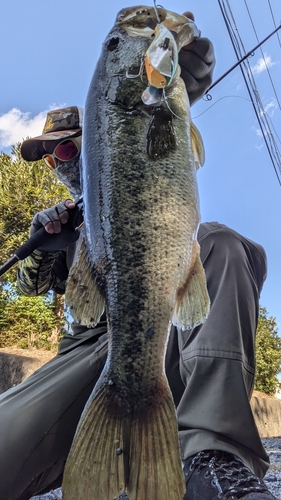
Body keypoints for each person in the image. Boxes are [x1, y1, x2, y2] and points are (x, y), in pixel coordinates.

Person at [0, 12, 276, 500]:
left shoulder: (134, 130)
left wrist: (171, 91)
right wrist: (45, 245)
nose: (61, 163)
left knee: (219, 242)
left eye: (70, 151)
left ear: (96, 141)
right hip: (90, 365)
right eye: (53, 157)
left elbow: (154, 137)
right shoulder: (55, 226)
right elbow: (26, 287)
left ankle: (213, 456)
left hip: (173, 335)